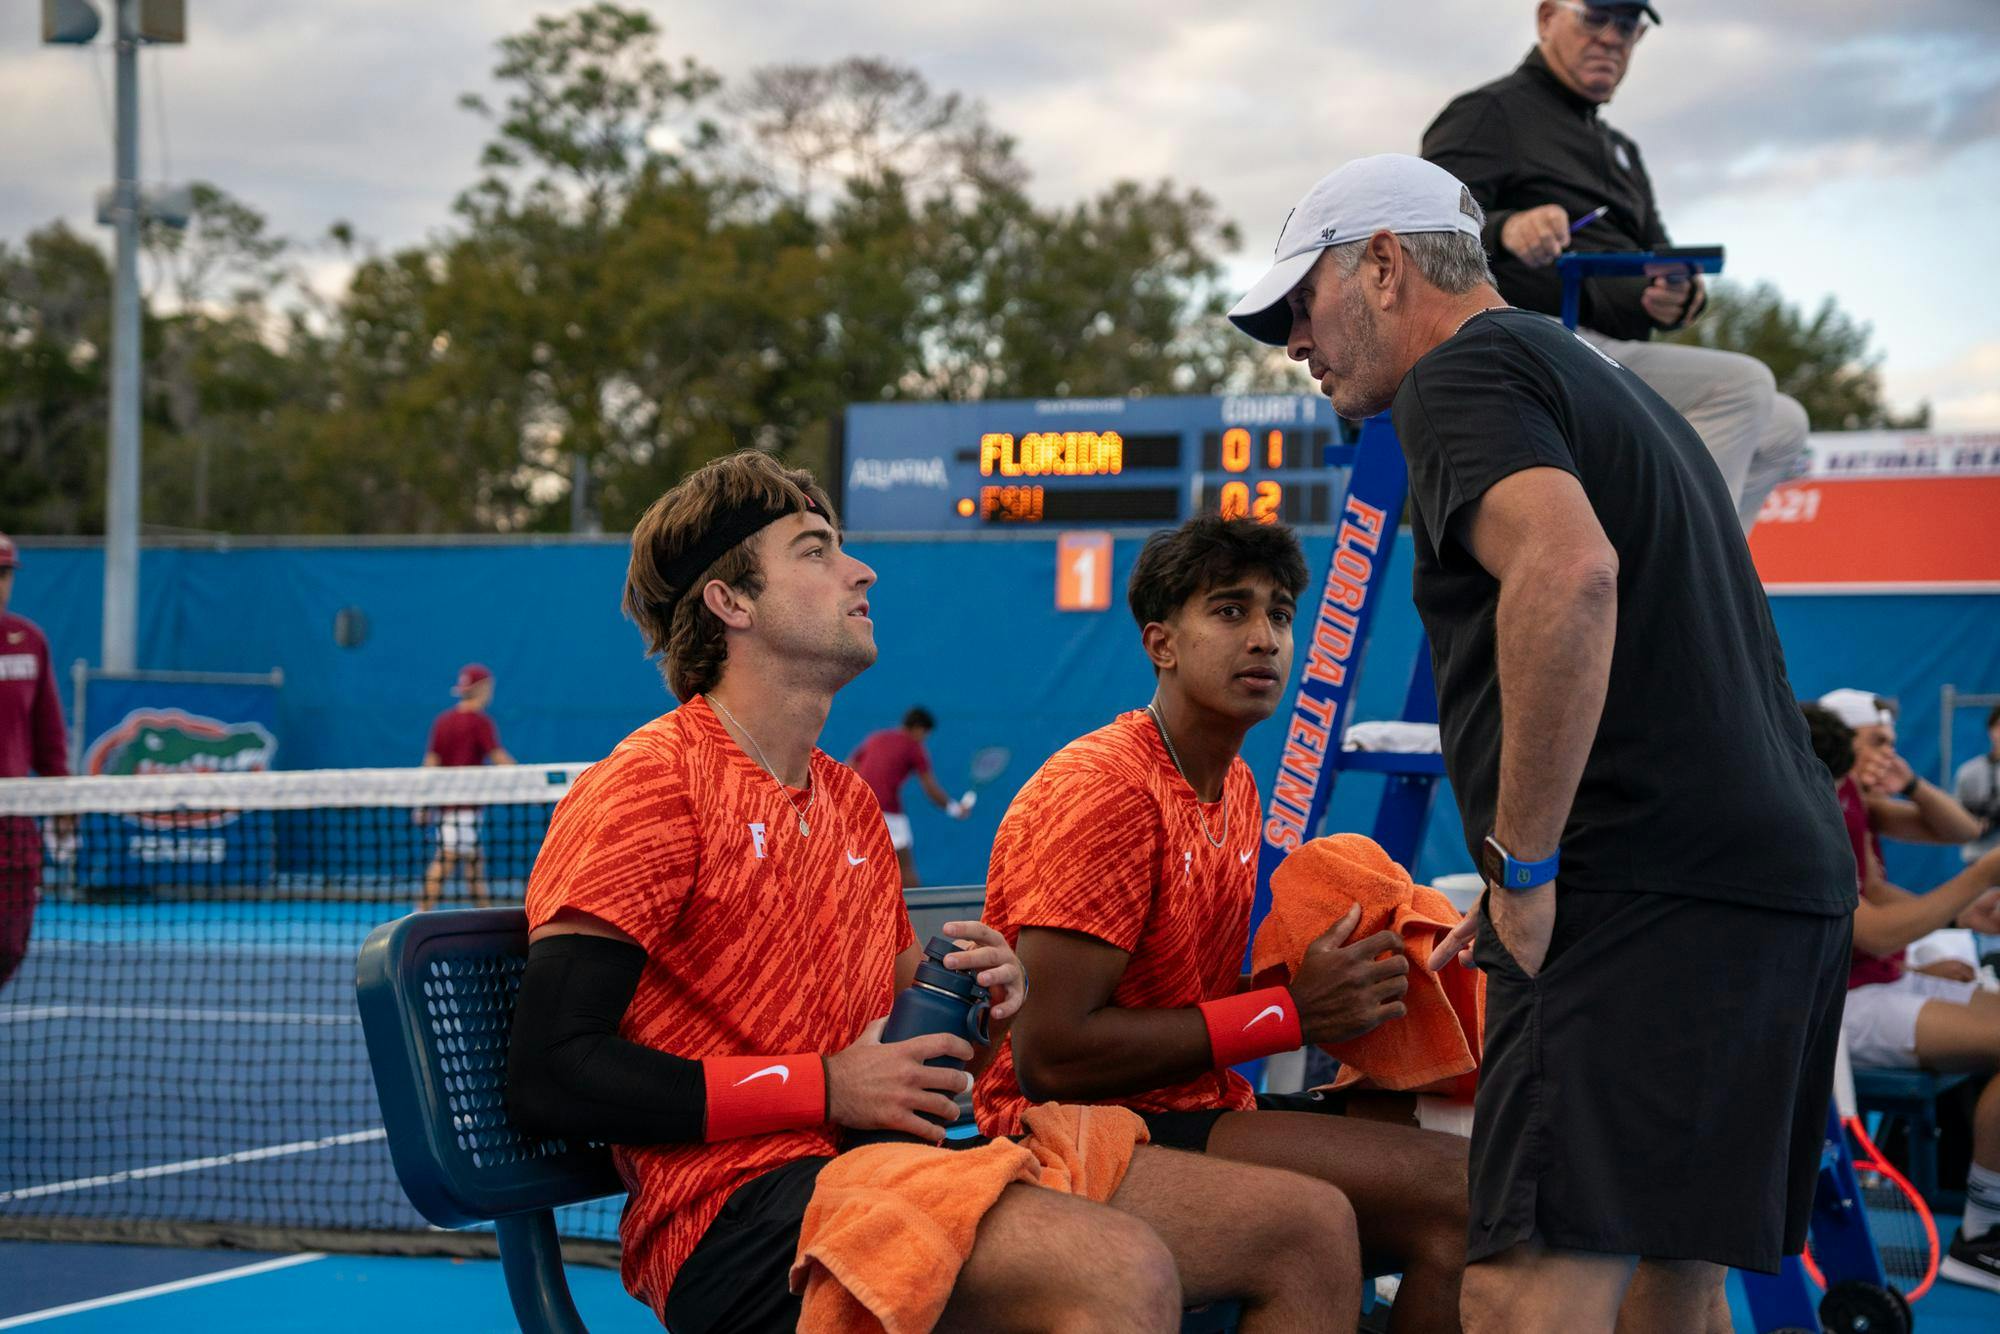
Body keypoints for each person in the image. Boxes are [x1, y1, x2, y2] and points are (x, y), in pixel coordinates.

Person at [505, 450, 1361, 1333]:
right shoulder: (650, 785)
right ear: (733, 603)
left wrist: (981, 1014)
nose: (861, 568)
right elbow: (551, 1073)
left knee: (1308, 1234)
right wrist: (823, 1087)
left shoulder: (844, 803)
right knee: (1118, 1267)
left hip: (879, 1168)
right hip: (732, 1218)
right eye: (814, 550)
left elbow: (928, 1068)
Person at [1226, 153, 1855, 1332]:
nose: (1292, 344)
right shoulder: (1613, 385)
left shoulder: (1461, 371)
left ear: (1381, 264)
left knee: (1524, 1282)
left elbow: (1569, 576)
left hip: (1638, 881)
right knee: (1674, 1276)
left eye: (1298, 304)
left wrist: (1522, 866)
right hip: (1773, 882)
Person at [975, 513, 1471, 1332]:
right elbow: (1050, 1057)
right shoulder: (1106, 791)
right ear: (1161, 644)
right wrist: (1285, 1012)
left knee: (1471, 1157)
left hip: (1191, 1101)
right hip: (1068, 1131)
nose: (1265, 638)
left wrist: (1351, 987)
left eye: (1279, 614)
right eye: (1231, 611)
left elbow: (1179, 1003)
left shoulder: (1232, 783)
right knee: (1450, 1197)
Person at [1421, 0, 1808, 534]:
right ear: (1547, 18)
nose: (1610, 38)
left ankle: (1675, 571)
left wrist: (1679, 297)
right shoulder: (1490, 112)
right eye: (1595, 17)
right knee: (1742, 386)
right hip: (1524, 345)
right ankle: (1681, 580)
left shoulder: (1620, 150)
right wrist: (1508, 228)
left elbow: (1667, 260)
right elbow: (1426, 229)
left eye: (1626, 25)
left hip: (1606, 354)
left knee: (1785, 424)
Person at [1800, 702, 2000, 1293]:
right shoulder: (1808, 806)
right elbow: (1873, 928)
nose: (1887, 753)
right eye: (1876, 741)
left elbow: (1885, 883)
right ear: (1842, 743)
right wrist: (1979, 878)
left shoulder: (1846, 793)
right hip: (1841, 1008)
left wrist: (1952, 919)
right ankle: (1982, 1236)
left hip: (1880, 977)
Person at [0, 533, 70, 990]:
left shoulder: (30, 642)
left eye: (4, 573)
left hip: (13, 828)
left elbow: (48, 738)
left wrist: (64, 802)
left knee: (9, 944)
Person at [416, 663, 514, 911]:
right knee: (445, 861)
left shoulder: (442, 721)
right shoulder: (480, 722)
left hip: (450, 808)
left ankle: (484, 917)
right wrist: (529, 783)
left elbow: (430, 763)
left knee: (473, 867)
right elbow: (498, 756)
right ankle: (417, 916)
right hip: (465, 810)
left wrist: (422, 801)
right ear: (482, 688)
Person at [848, 706, 970, 887]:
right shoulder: (913, 746)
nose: (924, 739)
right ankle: (919, 913)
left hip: (856, 808)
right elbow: (930, 787)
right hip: (886, 811)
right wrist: (955, 809)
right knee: (905, 868)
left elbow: (849, 765)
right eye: (925, 735)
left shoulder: (876, 738)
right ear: (919, 729)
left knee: (857, 863)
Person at [1953, 703, 2000, 866]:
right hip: (1978, 858)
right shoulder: (1968, 772)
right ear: (1991, 730)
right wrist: (1974, 824)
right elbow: (1955, 818)